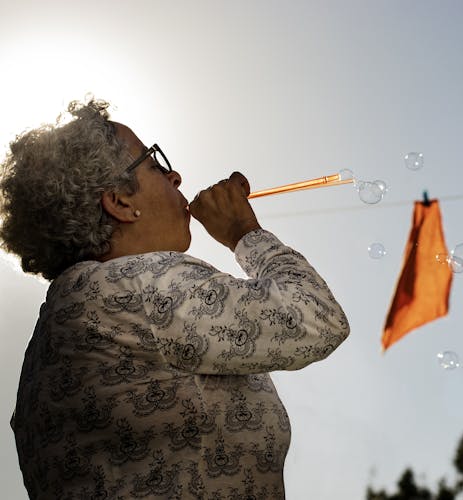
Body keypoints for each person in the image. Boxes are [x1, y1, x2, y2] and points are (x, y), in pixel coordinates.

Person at [1, 99, 350, 499]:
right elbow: (317, 317)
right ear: (119, 201)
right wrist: (244, 232)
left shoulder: (57, 329)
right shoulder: (135, 288)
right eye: (154, 163)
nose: (176, 176)